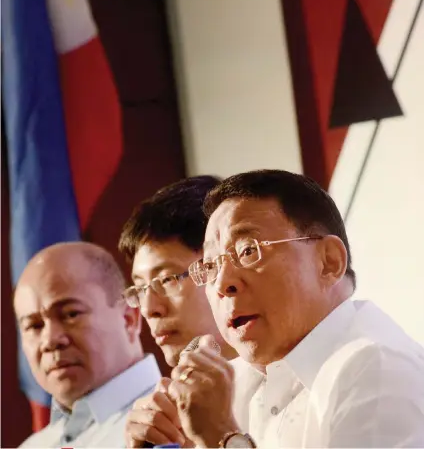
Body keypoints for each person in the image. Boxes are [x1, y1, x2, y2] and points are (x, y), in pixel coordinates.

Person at [166, 169, 424, 448]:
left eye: (248, 250)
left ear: (329, 261)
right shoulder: (236, 383)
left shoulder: (374, 369)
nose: (223, 283)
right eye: (210, 265)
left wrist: (222, 437)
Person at [118, 175, 237, 448]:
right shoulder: (169, 416)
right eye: (139, 289)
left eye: (167, 280)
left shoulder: (305, 385)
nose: (149, 309)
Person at [14, 242, 161, 448]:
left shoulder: (182, 424)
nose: (50, 340)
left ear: (129, 318)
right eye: (34, 326)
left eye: (71, 314)